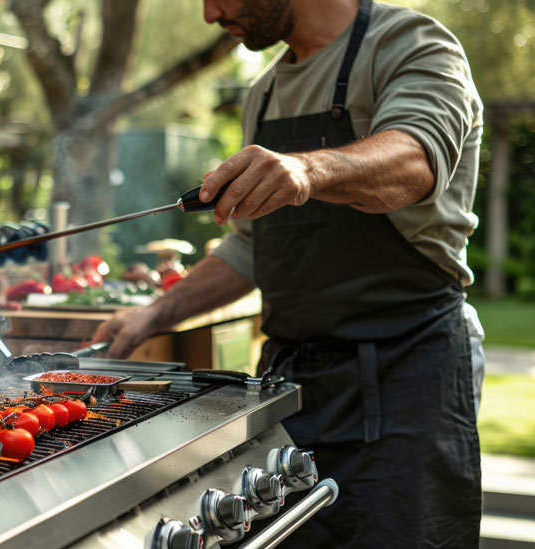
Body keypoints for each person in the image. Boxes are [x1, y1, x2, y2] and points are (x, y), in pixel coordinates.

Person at [91, 0, 484, 546]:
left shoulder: (412, 43)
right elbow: (252, 248)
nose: (209, 14)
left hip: (405, 376)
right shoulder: (265, 92)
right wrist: (152, 315)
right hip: (294, 384)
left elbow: (417, 161)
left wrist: (307, 169)